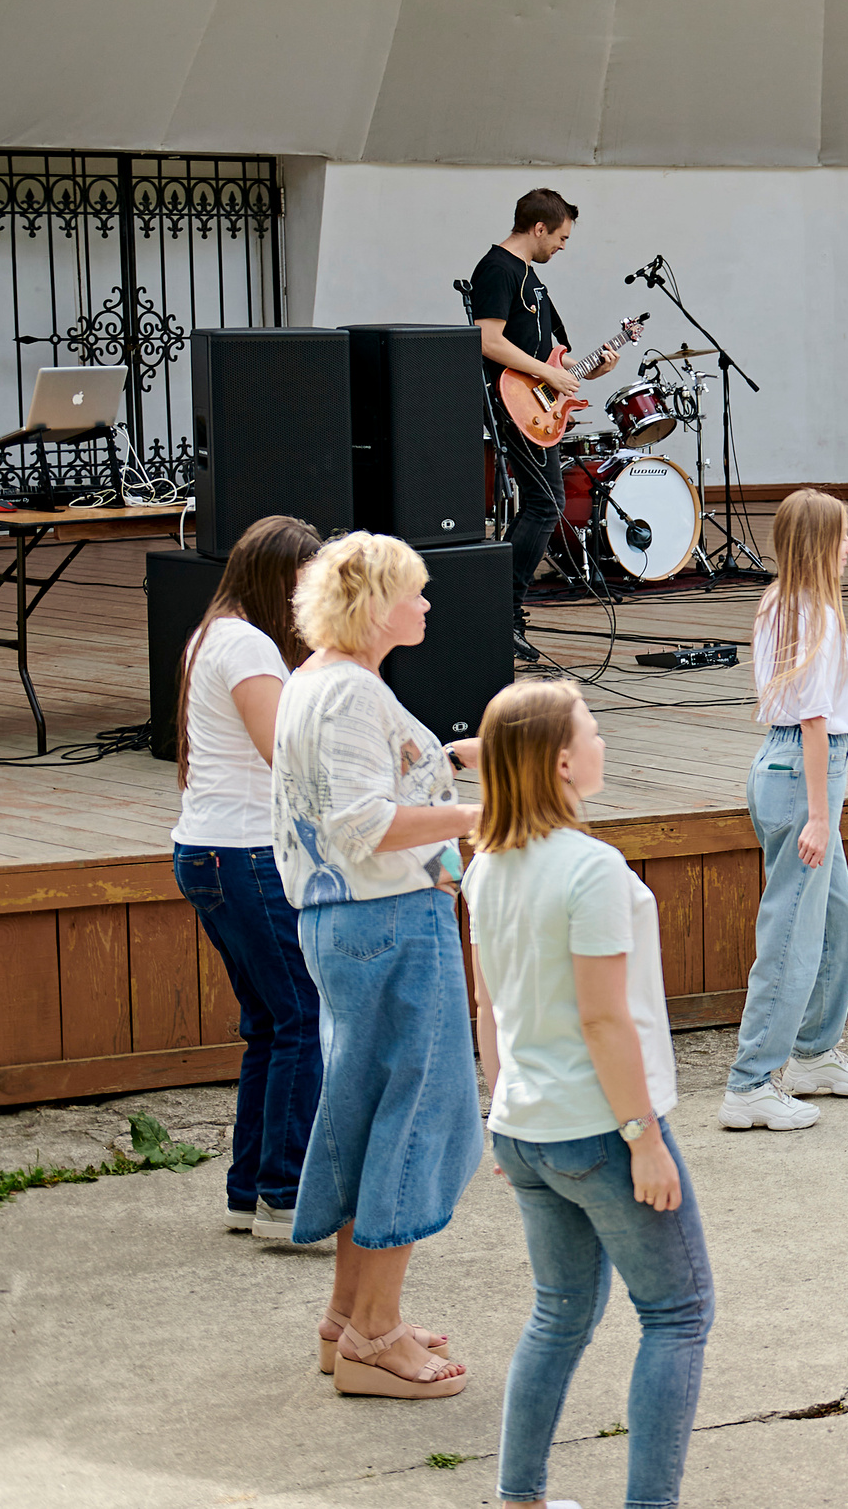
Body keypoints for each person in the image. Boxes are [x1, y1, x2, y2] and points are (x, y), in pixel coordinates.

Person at [463, 680, 713, 1509]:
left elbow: (487, 1008)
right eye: (594, 732)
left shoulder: (486, 866)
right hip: (603, 1126)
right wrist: (643, 1136)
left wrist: (502, 1115)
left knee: (559, 1311)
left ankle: (520, 1495)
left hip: (527, 1126)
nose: (605, 742)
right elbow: (605, 1019)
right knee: (677, 1312)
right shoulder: (591, 869)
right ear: (562, 759)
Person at [272, 533, 483, 1397]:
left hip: (346, 924)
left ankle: (348, 1318)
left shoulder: (312, 682)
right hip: (392, 920)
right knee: (418, 1116)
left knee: (368, 1112)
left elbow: (356, 802)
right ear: (373, 605)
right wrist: (481, 813)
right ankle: (375, 1336)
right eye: (415, 593)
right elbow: (361, 823)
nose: (428, 605)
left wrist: (444, 762)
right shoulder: (353, 693)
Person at [720, 490, 848, 1130]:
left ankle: (811, 1054)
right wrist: (821, 816)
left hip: (787, 767)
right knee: (792, 936)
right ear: (821, 544)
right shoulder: (815, 614)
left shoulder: (786, 603)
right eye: (845, 537)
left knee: (836, 921)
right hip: (807, 773)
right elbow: (810, 719)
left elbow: (810, 692)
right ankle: (749, 1085)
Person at [171, 514, 322, 1241]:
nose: (312, 598)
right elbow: (284, 754)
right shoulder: (249, 644)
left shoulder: (214, 633)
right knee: (303, 1016)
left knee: (268, 1022)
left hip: (207, 850)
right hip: (245, 853)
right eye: (306, 583)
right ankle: (286, 1188)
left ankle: (249, 1188)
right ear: (276, 578)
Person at [473, 187, 619, 665]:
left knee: (544, 501)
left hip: (538, 406)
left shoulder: (531, 279)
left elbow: (549, 355)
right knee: (545, 501)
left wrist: (585, 371)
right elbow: (487, 341)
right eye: (560, 236)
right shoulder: (497, 269)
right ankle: (503, 612)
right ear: (539, 228)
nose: (562, 245)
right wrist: (547, 374)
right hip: (514, 404)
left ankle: (503, 611)